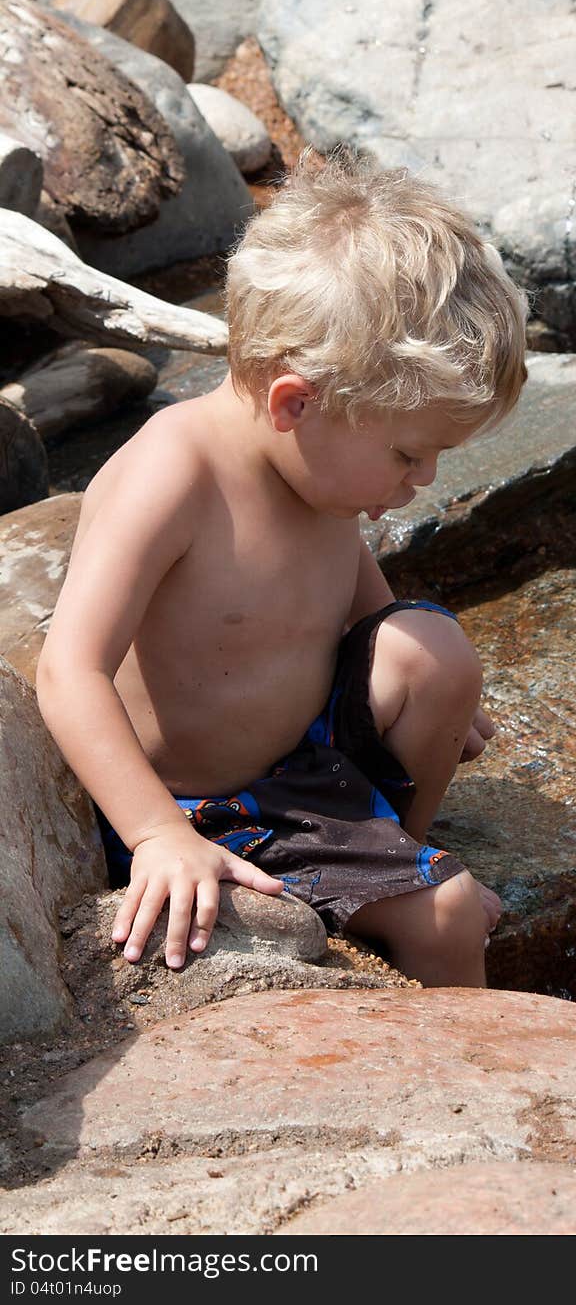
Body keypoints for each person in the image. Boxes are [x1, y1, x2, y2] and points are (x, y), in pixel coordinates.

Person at [36, 153, 528, 989]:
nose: (425, 482)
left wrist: (438, 700)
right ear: (295, 403)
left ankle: (394, 858)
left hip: (303, 768)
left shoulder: (316, 470)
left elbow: (369, 619)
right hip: (198, 803)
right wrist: (158, 833)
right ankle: (460, 1079)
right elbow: (68, 669)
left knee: (435, 652)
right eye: (410, 454)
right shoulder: (174, 474)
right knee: (447, 919)